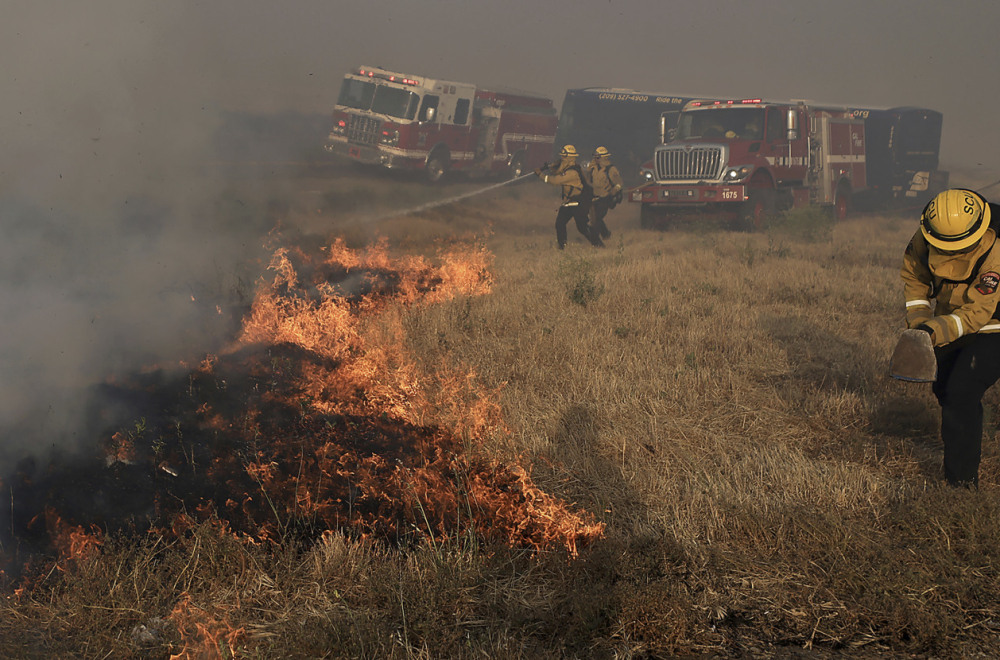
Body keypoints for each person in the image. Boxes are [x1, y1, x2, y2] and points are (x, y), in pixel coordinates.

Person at [901, 189, 1000, 488]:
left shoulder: (995, 248)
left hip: (993, 324)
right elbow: (915, 281)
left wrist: (934, 331)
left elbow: (978, 313)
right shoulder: (922, 240)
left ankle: (961, 485)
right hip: (947, 322)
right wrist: (920, 324)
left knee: (961, 392)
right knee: (944, 389)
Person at [535, 145, 605, 249]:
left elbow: (554, 181)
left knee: (583, 228)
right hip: (567, 203)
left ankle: (599, 245)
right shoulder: (568, 168)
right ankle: (562, 246)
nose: (562, 158)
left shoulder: (571, 173)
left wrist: (540, 174)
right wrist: (550, 166)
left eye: (564, 156)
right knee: (559, 224)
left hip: (577, 204)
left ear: (569, 157)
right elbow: (557, 171)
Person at [587, 146, 624, 240]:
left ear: (603, 158)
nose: (595, 159)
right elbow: (589, 181)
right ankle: (606, 234)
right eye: (594, 157)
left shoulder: (611, 169)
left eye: (597, 157)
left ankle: (595, 240)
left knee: (598, 218)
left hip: (605, 197)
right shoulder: (594, 168)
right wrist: (589, 170)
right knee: (594, 218)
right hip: (595, 197)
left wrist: (614, 191)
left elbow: (619, 183)